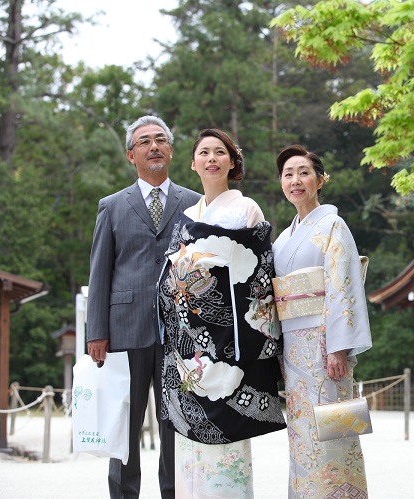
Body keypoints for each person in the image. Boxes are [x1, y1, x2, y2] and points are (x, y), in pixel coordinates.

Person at [157, 128, 287, 498]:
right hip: (190, 346)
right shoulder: (186, 215)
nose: (212, 158)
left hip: (230, 342)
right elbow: (170, 280)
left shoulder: (245, 209)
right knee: (191, 446)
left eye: (220, 152)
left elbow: (259, 273)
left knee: (227, 443)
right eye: (204, 152)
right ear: (194, 163)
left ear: (233, 162)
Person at [86, 115, 202, 499]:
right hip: (124, 330)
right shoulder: (112, 206)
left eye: (160, 140)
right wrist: (96, 332)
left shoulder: (195, 203)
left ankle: (174, 493)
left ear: (170, 150)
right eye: (144, 142)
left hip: (180, 334)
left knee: (175, 424)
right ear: (130, 154)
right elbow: (100, 271)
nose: (153, 146)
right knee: (125, 427)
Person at [272, 144, 373, 498]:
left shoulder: (332, 225)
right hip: (292, 347)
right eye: (288, 174)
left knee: (331, 427)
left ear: (320, 179)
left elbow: (341, 285)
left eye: (303, 172)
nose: (295, 180)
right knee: (302, 432)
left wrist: (338, 347)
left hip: (323, 345)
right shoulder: (283, 238)